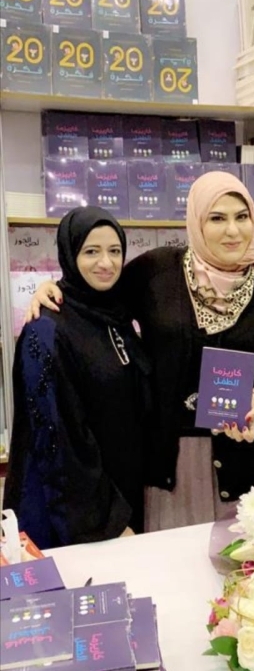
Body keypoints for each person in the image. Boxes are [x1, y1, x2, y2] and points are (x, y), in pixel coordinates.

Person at [26, 172, 254, 529]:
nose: (233, 230)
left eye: (241, 216)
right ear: (197, 221)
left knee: (239, 557)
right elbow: (97, 296)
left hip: (242, 457)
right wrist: (53, 288)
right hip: (168, 460)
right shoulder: (157, 271)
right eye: (217, 218)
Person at [4, 207, 151, 548]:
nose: (106, 263)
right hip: (74, 515)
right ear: (70, 254)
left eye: (115, 251)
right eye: (91, 251)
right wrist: (109, 521)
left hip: (122, 494)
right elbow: (57, 443)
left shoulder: (115, 316)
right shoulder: (46, 329)